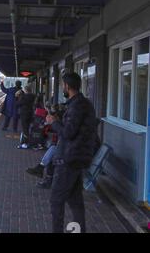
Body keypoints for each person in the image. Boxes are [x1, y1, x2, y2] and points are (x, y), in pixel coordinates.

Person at [45, 72, 98, 233]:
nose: (62, 87)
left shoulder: (77, 105)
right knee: (75, 201)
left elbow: (68, 132)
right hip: (76, 158)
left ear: (67, 86)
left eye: (62, 85)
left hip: (69, 159)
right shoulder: (82, 104)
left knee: (56, 200)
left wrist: (54, 122)